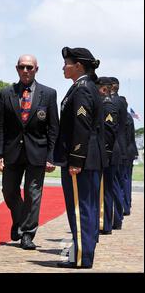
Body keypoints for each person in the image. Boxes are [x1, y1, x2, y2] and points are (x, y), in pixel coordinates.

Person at [0, 54, 59, 250]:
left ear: (36, 69)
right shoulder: (7, 93)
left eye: (30, 67)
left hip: (37, 151)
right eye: (22, 67)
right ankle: (20, 219)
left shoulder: (49, 94)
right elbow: (0, 125)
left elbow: (53, 127)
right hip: (12, 151)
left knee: (33, 194)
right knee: (9, 191)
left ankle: (27, 234)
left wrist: (51, 156)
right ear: (17, 68)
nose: (26, 71)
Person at [54, 47, 107, 269]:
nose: (63, 67)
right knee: (88, 207)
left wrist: (75, 159)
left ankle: (81, 257)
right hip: (90, 157)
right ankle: (83, 253)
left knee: (79, 208)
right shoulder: (84, 87)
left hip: (81, 159)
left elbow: (81, 126)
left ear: (78, 66)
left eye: (67, 63)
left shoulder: (82, 89)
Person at [95, 77, 120, 235]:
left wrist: (105, 153)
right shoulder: (105, 103)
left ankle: (104, 223)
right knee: (105, 189)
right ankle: (105, 222)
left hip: (108, 153)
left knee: (105, 189)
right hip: (107, 153)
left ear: (103, 89)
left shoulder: (108, 104)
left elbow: (109, 131)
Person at [109, 77, 128, 225]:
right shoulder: (121, 101)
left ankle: (114, 218)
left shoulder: (112, 102)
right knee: (117, 183)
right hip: (120, 146)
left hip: (111, 147)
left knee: (112, 184)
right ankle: (117, 216)